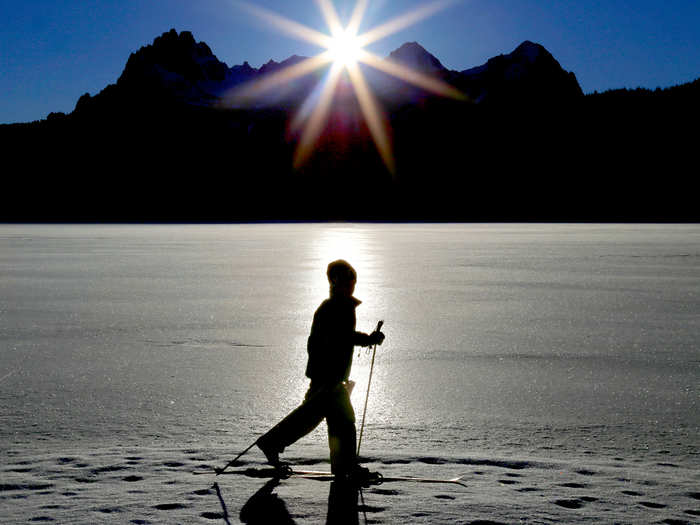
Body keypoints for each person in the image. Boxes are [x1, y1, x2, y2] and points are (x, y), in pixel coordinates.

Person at [255, 259, 385, 483]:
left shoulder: (337, 307)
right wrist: (368, 340)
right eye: (347, 281)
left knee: (312, 418)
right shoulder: (333, 308)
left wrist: (367, 340)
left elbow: (335, 339)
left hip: (329, 377)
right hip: (329, 378)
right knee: (342, 421)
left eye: (352, 282)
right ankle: (345, 467)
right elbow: (335, 339)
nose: (351, 286)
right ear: (335, 281)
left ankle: (274, 443)